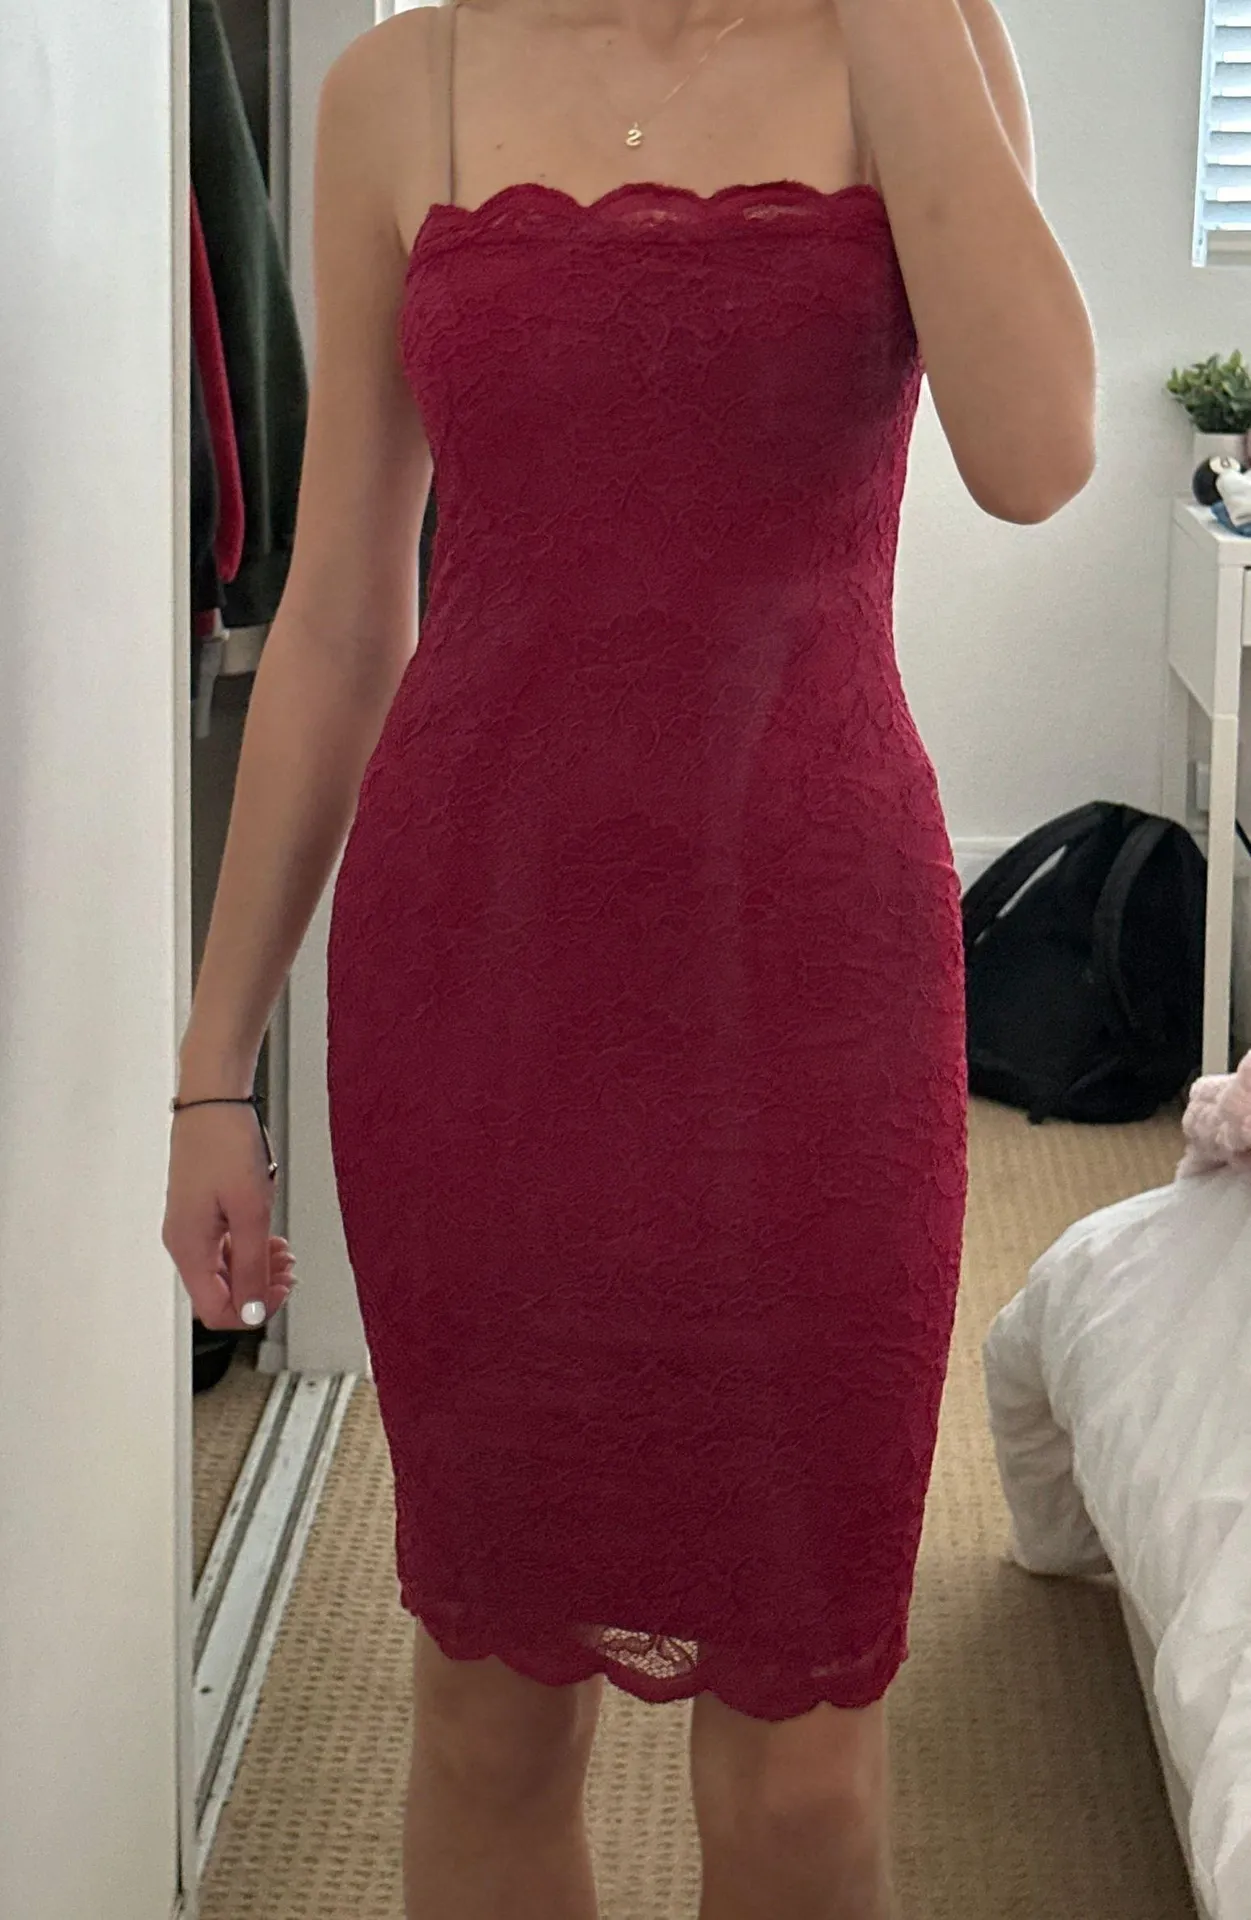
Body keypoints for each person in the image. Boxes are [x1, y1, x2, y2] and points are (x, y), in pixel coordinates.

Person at [162, 1, 1097, 1914]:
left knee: (805, 1769)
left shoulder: (912, 40)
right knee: (486, 1712)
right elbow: (338, 611)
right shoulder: (395, 89)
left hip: (811, 983)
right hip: (478, 981)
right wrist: (211, 1065)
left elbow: (1034, 456)